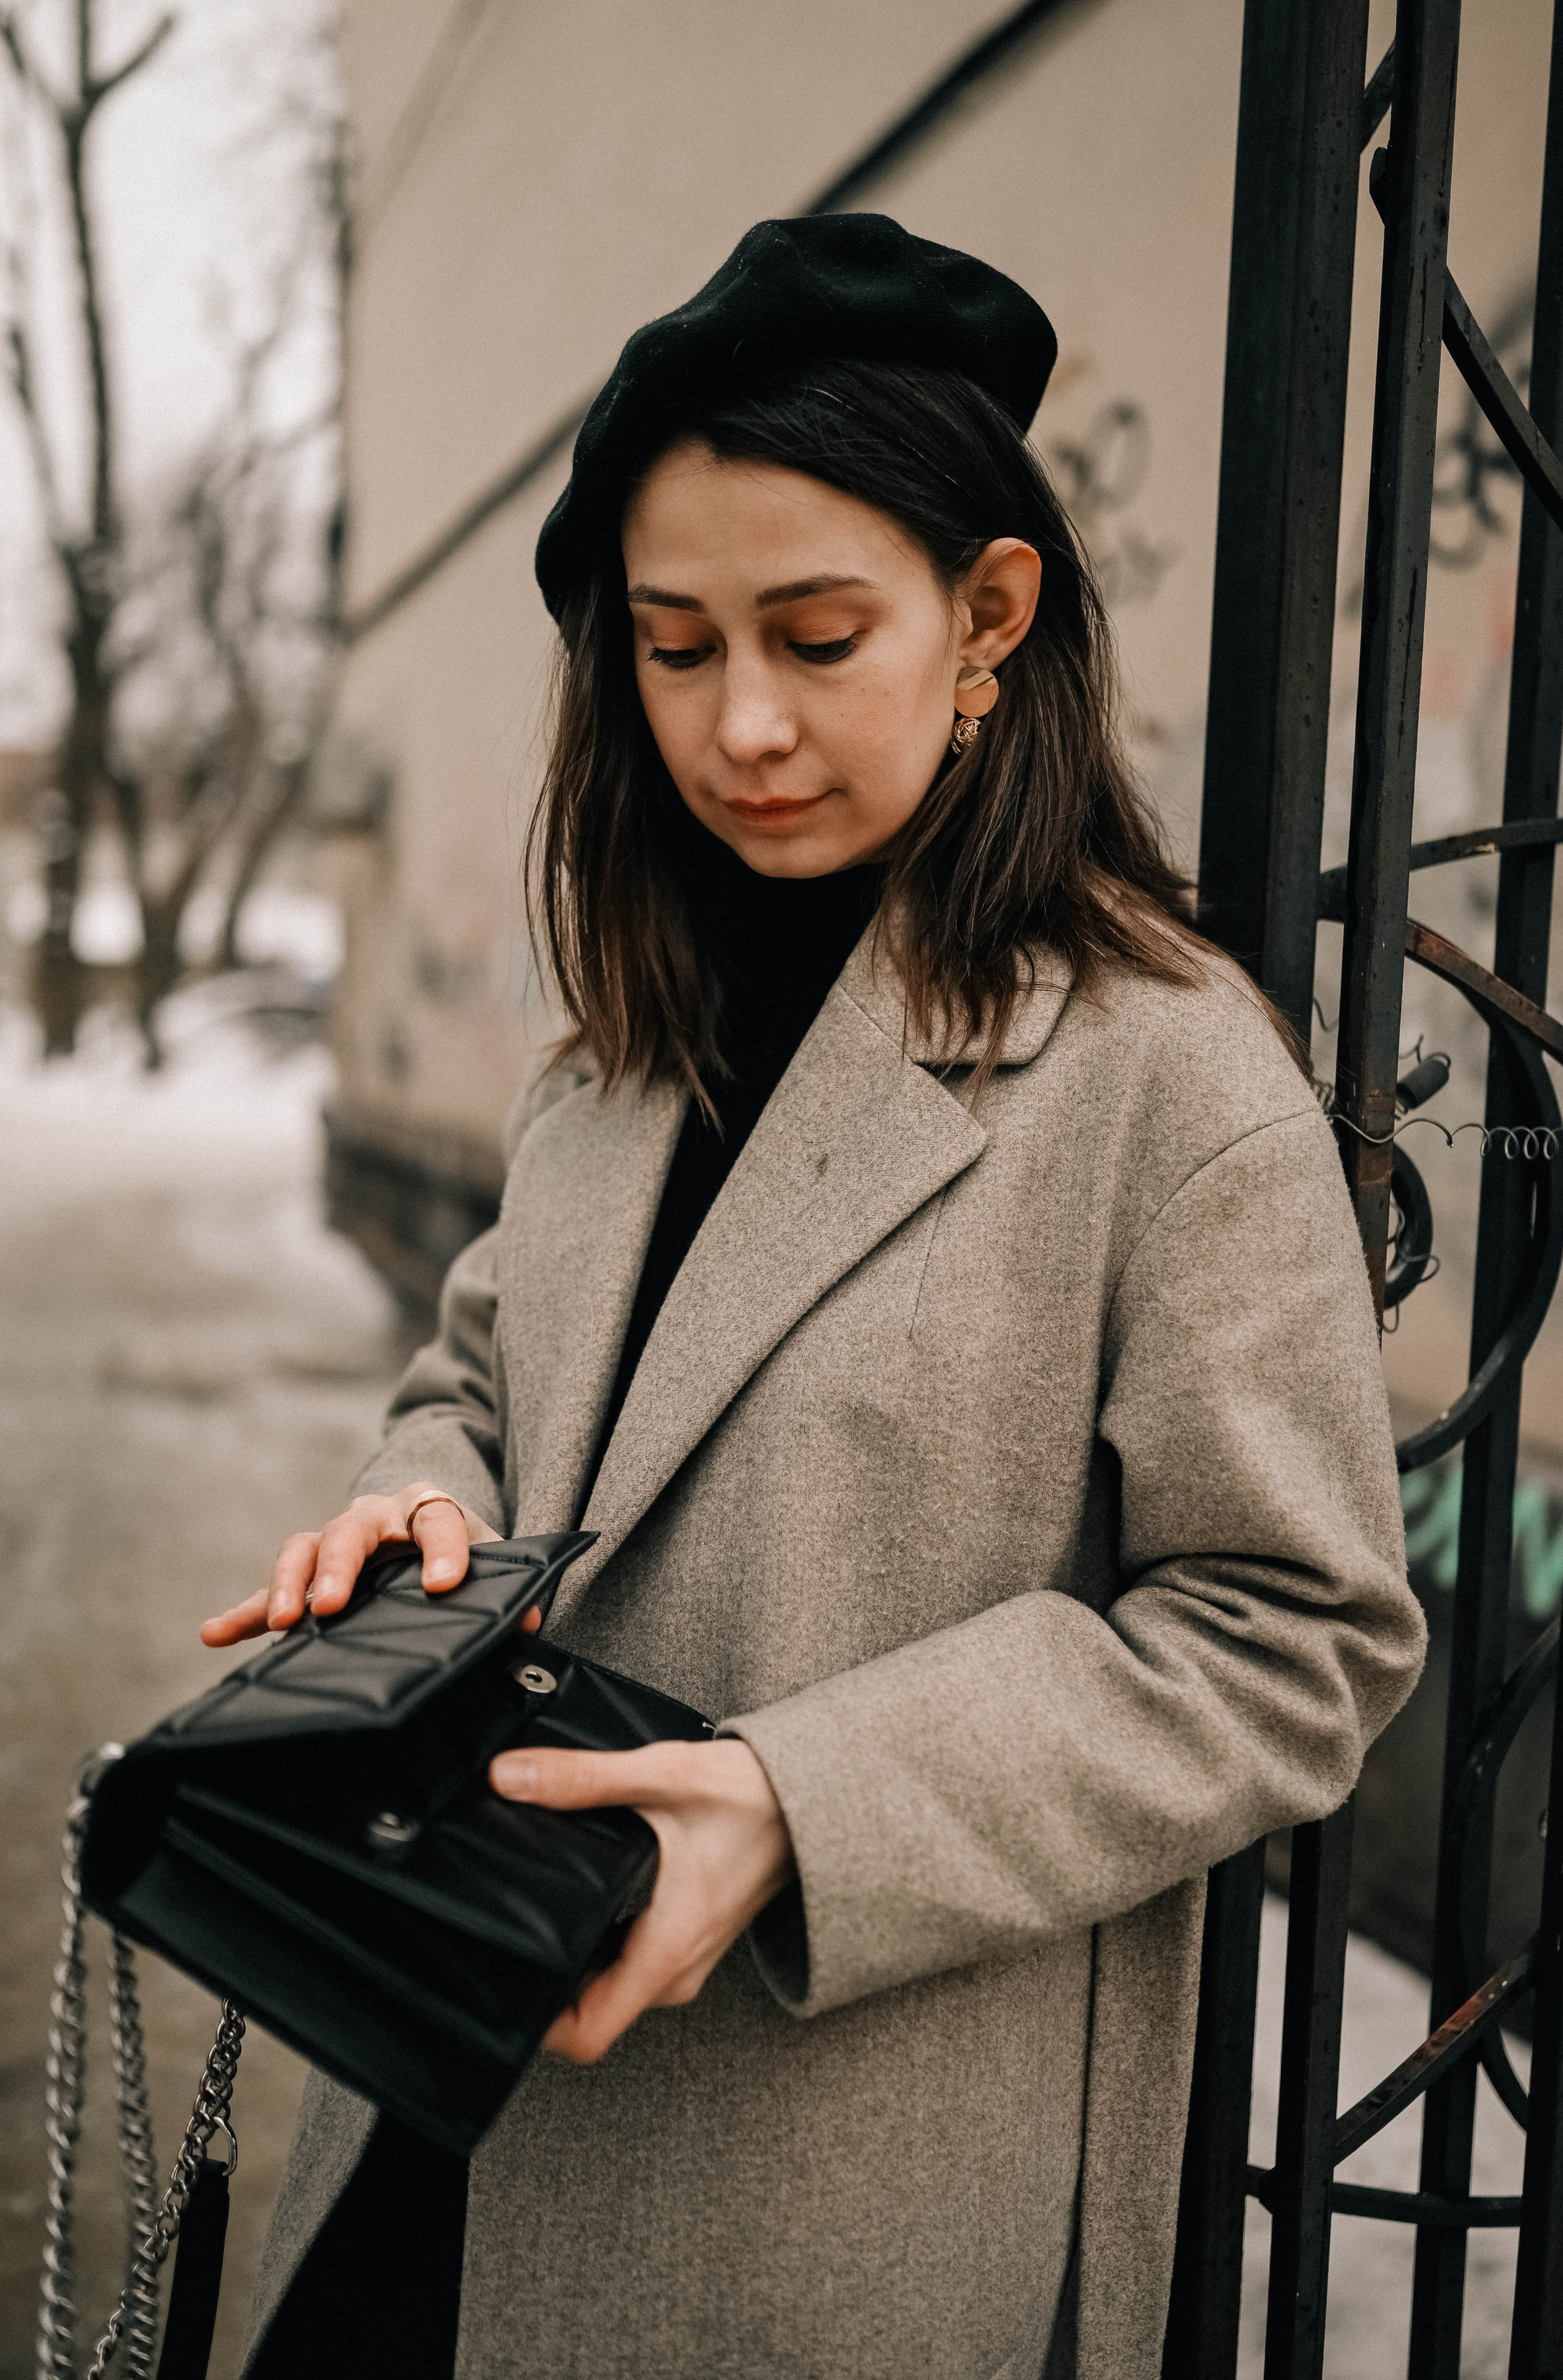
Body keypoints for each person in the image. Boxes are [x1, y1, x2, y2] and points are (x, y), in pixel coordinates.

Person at [204, 215, 1423, 2380]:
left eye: (815, 633)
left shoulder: (1168, 1075)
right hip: (445, 2089)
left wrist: (805, 1802)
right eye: (675, 650)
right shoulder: (620, 1037)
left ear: (988, 618)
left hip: (828, 2187)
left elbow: (1297, 1630)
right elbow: (479, 1369)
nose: (741, 723)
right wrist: (419, 1505)